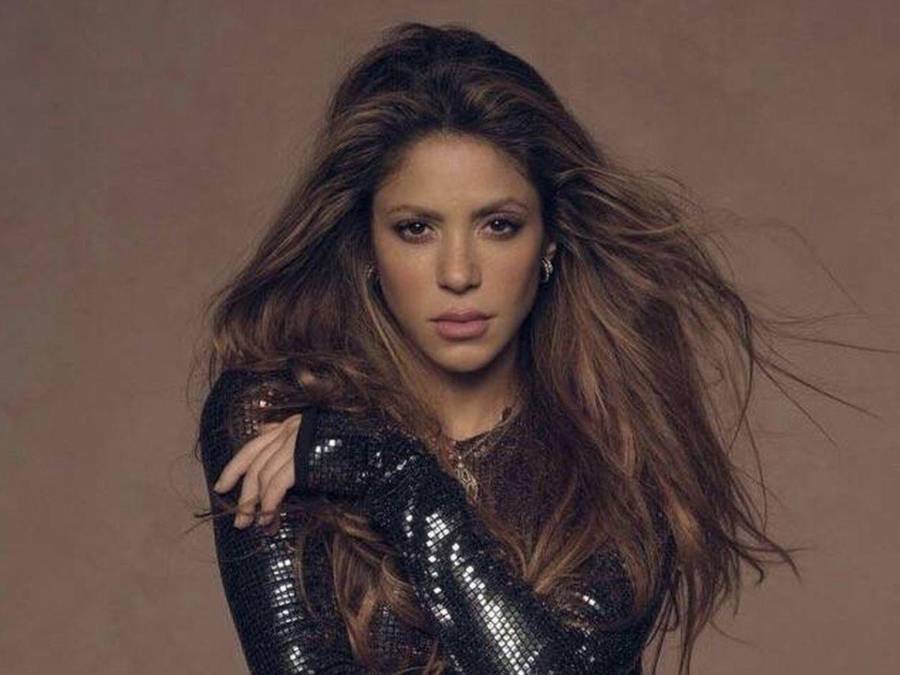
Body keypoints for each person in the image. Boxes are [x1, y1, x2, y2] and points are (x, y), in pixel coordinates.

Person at [189, 21, 842, 674]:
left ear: (549, 239)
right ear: (366, 244)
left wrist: (390, 472)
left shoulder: (619, 450)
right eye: (416, 229)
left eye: (498, 225)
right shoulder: (275, 413)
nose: (458, 274)